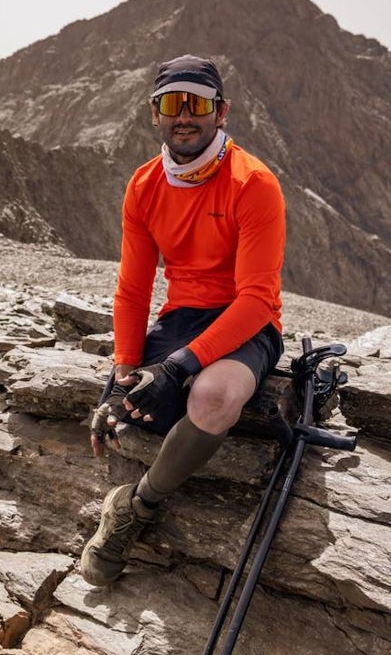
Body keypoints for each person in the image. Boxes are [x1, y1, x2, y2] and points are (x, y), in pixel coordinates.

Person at [81, 54, 286, 587]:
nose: (186, 115)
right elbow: (133, 286)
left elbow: (258, 299)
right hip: (181, 318)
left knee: (212, 399)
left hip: (246, 323)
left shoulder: (253, 183)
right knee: (125, 412)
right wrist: (125, 364)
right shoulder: (145, 186)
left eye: (199, 103)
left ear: (222, 112)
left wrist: (177, 367)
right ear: (155, 113)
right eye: (174, 103)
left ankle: (135, 507)